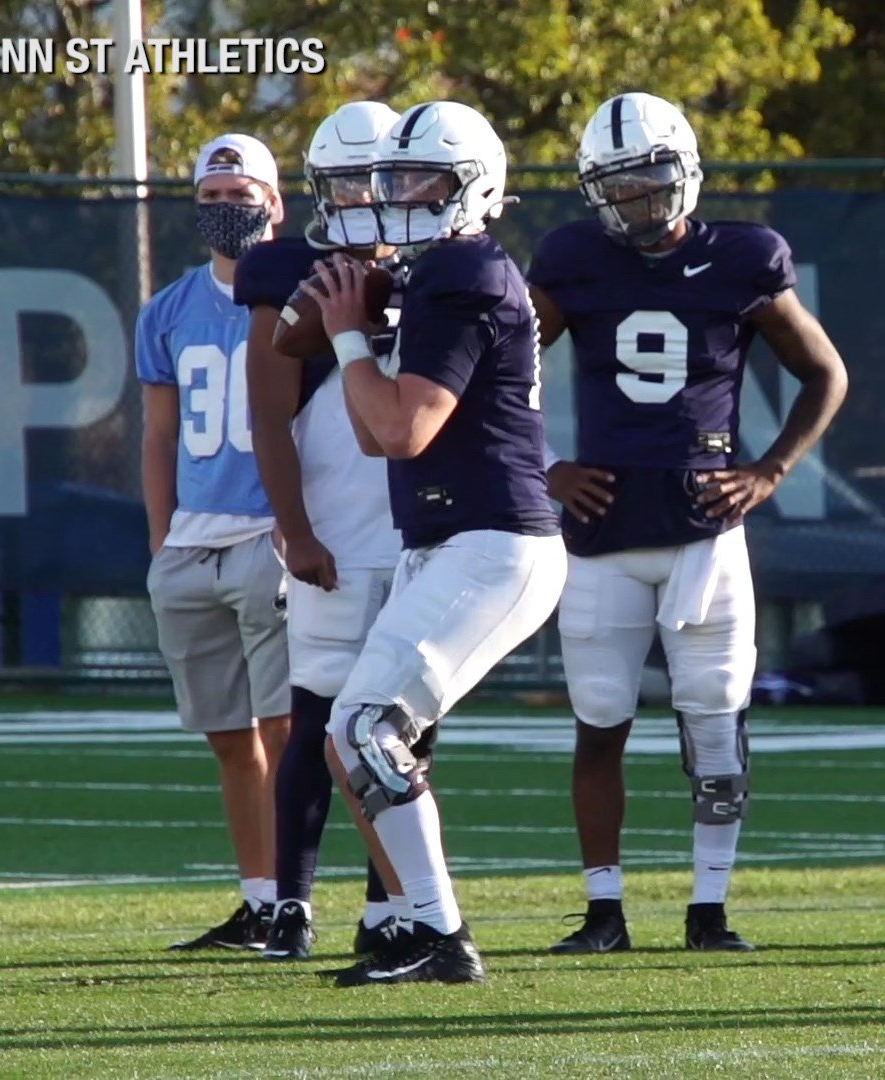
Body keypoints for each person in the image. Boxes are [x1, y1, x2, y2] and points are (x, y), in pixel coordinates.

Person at [527, 92, 848, 954]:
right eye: (619, 185)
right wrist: (545, 468)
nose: (638, 199)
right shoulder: (570, 259)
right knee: (600, 721)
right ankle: (604, 913)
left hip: (706, 529)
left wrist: (771, 469)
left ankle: (709, 910)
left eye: (651, 178)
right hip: (601, 533)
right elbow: (494, 372)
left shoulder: (744, 257)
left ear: (687, 169)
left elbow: (825, 373)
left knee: (714, 719)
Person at [310, 100, 566, 985]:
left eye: (427, 181)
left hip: (491, 539)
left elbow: (401, 430)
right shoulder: (443, 273)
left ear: (476, 190)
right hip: (455, 535)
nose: (407, 197)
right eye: (396, 180)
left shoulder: (462, 270)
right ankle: (405, 924)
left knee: (365, 727)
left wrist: (348, 333)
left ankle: (440, 936)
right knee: (359, 738)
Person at [238, 101, 411, 962]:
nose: (362, 200)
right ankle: (292, 904)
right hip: (337, 532)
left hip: (423, 531)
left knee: (405, 731)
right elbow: (268, 417)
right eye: (344, 183)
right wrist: (294, 528)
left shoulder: (444, 264)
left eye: (376, 180)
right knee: (314, 719)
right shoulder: (285, 273)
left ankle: (395, 907)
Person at [136, 134, 290, 950]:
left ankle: (292, 903)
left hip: (270, 533)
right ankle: (259, 900)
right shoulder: (167, 309)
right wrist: (162, 543)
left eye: (240, 195)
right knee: (230, 739)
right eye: (212, 198)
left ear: (275, 202)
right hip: (193, 546)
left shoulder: (298, 294)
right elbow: (159, 438)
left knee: (284, 731)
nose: (226, 210)